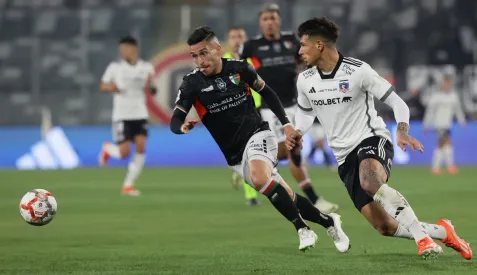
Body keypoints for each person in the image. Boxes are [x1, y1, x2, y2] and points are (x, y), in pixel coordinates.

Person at [286, 17, 472, 260]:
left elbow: (397, 102)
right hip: (343, 157)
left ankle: (423, 240)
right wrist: (299, 131)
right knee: (385, 227)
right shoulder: (305, 80)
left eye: (303, 45)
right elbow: (306, 114)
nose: (299, 51)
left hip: (371, 139)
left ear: (319, 44)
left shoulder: (358, 70)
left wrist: (402, 130)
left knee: (371, 183)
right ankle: (442, 232)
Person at [171, 26, 350, 252]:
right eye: (195, 56)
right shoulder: (191, 83)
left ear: (218, 49)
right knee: (286, 195)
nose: (200, 60)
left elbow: (267, 92)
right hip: (234, 155)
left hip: (258, 134)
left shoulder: (240, 69)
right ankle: (329, 222)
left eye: (204, 53)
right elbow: (175, 118)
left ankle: (302, 229)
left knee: (258, 178)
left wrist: (285, 124)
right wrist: (182, 127)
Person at [240, 3, 338, 213]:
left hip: (295, 103)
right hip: (270, 107)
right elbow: (240, 73)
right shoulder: (252, 46)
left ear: (279, 20)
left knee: (293, 151)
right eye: (265, 19)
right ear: (260, 22)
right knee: (290, 150)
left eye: (273, 18)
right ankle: (312, 198)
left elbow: (306, 60)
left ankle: (253, 161)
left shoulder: (290, 41)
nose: (270, 22)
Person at [98, 36, 157, 196]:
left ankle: (128, 185)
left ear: (134, 49)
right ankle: (108, 149)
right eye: (121, 49)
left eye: (126, 48)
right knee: (124, 153)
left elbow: (153, 90)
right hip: (122, 115)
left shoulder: (146, 67)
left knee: (141, 147)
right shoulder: (115, 68)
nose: (123, 52)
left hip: (140, 113)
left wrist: (151, 85)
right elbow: (103, 86)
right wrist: (113, 88)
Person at [223, 26, 262, 206]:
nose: (237, 40)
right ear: (228, 40)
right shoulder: (223, 62)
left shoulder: (254, 60)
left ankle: (240, 171)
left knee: (262, 153)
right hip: (238, 112)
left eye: (240, 36)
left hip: (260, 110)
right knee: (250, 153)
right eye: (233, 37)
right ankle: (251, 197)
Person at [423, 75, 466, 175]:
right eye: (445, 83)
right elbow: (430, 111)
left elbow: (458, 110)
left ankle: (437, 167)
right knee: (446, 143)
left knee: (442, 145)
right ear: (442, 84)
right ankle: (448, 166)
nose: (447, 85)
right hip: (438, 124)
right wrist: (426, 124)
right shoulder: (436, 97)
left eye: (449, 83)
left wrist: (462, 121)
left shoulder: (453, 96)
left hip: (448, 124)